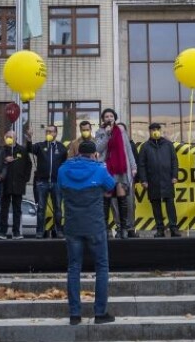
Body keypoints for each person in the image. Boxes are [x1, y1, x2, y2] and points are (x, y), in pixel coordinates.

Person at [58, 140, 116, 325]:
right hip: (95, 226)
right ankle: (100, 313)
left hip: (73, 226)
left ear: (78, 153)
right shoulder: (99, 169)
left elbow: (60, 188)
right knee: (102, 267)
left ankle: (75, 315)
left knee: (74, 268)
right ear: (94, 154)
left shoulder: (63, 169)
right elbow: (111, 186)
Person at [96, 108, 137, 238]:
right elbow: (98, 148)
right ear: (103, 119)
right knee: (107, 197)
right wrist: (107, 135)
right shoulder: (100, 132)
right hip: (107, 168)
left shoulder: (121, 131)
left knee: (122, 197)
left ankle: (123, 229)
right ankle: (104, 229)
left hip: (121, 168)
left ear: (114, 118)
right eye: (106, 116)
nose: (109, 118)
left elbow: (128, 150)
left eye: (111, 116)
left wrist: (133, 166)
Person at [136, 122, 179, 237]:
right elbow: (141, 165)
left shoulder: (168, 145)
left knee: (170, 203)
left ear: (161, 131)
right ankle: (160, 229)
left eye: (157, 129)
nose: (155, 131)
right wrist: (143, 180)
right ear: (149, 132)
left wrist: (174, 176)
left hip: (167, 180)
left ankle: (173, 227)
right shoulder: (145, 146)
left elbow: (174, 161)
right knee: (156, 205)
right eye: (153, 129)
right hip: (152, 181)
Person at [30, 124, 68, 239]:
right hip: (42, 182)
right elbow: (29, 149)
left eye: (51, 132)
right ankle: (40, 232)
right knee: (41, 208)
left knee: (58, 208)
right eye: (47, 132)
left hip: (57, 182)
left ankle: (59, 231)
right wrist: (29, 139)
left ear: (56, 133)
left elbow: (65, 164)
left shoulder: (61, 148)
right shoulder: (40, 146)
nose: (49, 134)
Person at [0, 129, 31, 239]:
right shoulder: (1, 150)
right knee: (4, 209)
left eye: (11, 137)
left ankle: (16, 232)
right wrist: (4, 160)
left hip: (18, 184)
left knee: (17, 209)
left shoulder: (22, 150)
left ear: (16, 138)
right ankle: (2, 232)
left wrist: (25, 179)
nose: (9, 139)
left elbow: (29, 165)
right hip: (5, 184)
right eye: (7, 136)